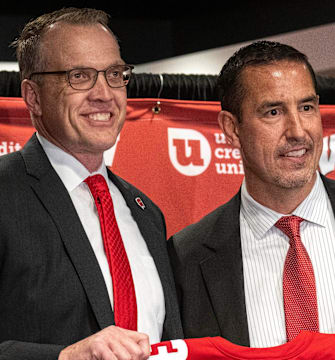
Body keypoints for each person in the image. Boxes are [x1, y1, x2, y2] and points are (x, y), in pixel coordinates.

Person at [0, 7, 182, 360]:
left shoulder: (146, 213)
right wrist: (65, 357)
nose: (104, 93)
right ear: (33, 96)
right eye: (80, 76)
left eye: (115, 73)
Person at [168, 40, 335, 348]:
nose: (298, 131)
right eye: (273, 112)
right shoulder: (186, 257)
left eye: (307, 107)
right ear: (232, 129)